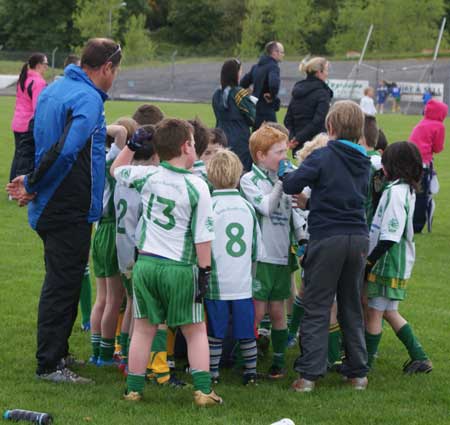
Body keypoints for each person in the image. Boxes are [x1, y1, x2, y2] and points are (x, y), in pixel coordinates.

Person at [6, 38, 122, 383]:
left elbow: (30, 138)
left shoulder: (56, 89)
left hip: (53, 201)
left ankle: (59, 352)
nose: (115, 77)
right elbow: (66, 150)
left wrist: (25, 178)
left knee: (68, 281)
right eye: (116, 71)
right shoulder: (86, 97)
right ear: (106, 68)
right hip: (64, 204)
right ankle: (48, 364)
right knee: (61, 284)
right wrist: (33, 183)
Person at [110, 118, 223, 406]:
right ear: (186, 147)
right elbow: (202, 237)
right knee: (195, 329)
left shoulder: (148, 176)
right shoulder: (198, 186)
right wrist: (205, 272)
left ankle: (133, 390)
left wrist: (133, 145)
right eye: (194, 143)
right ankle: (203, 391)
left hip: (146, 264)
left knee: (144, 328)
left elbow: (116, 170)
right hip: (180, 268)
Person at [283, 100, 370, 392]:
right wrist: (315, 202)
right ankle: (358, 372)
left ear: (330, 127)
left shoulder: (322, 156)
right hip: (357, 237)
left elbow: (292, 184)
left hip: (327, 237)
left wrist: (286, 172)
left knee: (317, 305)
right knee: (350, 305)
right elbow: (345, 194)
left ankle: (309, 375)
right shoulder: (364, 161)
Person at [240, 125, 305, 380]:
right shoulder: (250, 180)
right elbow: (266, 207)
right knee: (257, 311)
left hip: (281, 255)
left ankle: (278, 361)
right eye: (278, 152)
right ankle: (248, 360)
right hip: (261, 256)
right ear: (260, 156)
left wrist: (302, 239)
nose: (284, 157)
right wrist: (282, 183)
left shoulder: (285, 175)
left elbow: (294, 213)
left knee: (278, 311)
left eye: (285, 150)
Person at [364, 141, 432, 374]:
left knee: (375, 311)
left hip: (388, 264)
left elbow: (390, 237)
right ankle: (420, 358)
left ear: (393, 166)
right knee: (389, 311)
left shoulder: (395, 193)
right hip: (395, 262)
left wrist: (369, 262)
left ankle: (364, 365)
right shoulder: (403, 189)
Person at [204, 149, 261, 385]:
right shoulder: (247, 207)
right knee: (246, 331)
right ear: (238, 176)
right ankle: (251, 373)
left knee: (214, 331)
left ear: (210, 176)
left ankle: (213, 373)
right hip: (242, 283)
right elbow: (256, 247)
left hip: (217, 282)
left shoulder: (209, 205)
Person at [90, 117, 137, 367]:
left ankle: (97, 349)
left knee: (102, 297)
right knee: (114, 300)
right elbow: (119, 130)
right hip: (112, 231)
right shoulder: (117, 160)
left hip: (99, 231)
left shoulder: (99, 158)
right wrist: (96, 126)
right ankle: (107, 354)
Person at [409, 99, 447, 233]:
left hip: (410, 160)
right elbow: (437, 148)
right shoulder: (439, 126)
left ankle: (406, 221)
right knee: (421, 195)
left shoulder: (422, 123)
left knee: (411, 192)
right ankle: (417, 225)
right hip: (423, 163)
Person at [10, 53, 48, 182]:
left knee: (18, 155)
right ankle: (18, 186)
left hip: (17, 123)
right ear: (38, 65)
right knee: (26, 157)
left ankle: (12, 186)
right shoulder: (38, 82)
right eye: (45, 64)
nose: (46, 68)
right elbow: (38, 107)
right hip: (28, 124)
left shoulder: (23, 78)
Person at [212, 59, 255, 171]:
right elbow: (253, 117)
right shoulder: (239, 93)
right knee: (241, 172)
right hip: (240, 139)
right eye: (240, 71)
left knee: (223, 171)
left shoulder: (216, 94)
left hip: (221, 137)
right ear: (235, 73)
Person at [284, 57, 333, 154]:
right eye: (326, 70)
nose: (327, 74)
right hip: (316, 144)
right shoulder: (322, 92)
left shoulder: (297, 90)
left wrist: (294, 138)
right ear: (319, 72)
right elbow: (319, 120)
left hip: (298, 144)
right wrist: (298, 138)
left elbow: (288, 119)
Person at [240, 41, 284, 129]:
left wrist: (251, 91)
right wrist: (272, 96)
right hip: (267, 110)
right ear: (274, 52)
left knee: (256, 138)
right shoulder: (273, 67)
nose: (283, 54)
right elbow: (274, 85)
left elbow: (242, 83)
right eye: (282, 52)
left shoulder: (256, 67)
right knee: (272, 137)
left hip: (255, 109)